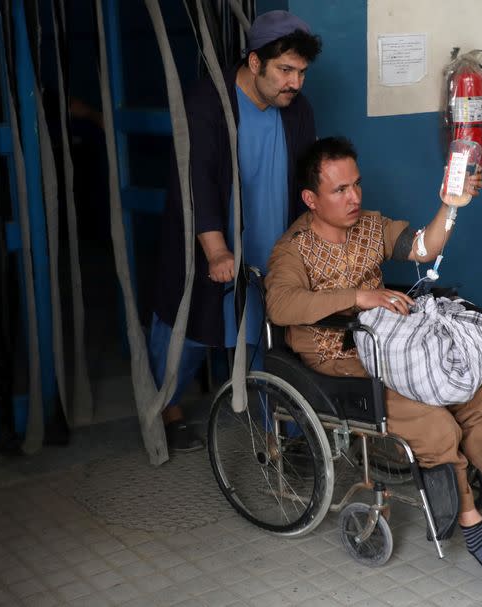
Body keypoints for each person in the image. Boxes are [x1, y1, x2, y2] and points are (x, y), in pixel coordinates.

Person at [265, 137, 482, 580]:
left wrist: (450, 207)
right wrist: (359, 296)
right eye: (340, 190)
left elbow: (423, 247)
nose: (355, 197)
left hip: (393, 346)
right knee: (433, 422)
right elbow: (281, 307)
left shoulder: (369, 226)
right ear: (311, 198)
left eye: (356, 185)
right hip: (340, 360)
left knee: (477, 392)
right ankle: (469, 521)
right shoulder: (294, 248)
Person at [150, 11, 322, 452]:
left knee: (269, 339)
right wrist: (216, 251)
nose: (295, 83)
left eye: (301, 72)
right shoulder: (209, 102)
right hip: (215, 246)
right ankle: (164, 407)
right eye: (286, 70)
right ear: (254, 61)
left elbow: (307, 178)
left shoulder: (297, 109)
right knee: (188, 330)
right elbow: (196, 180)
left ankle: (276, 432)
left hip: (272, 244)